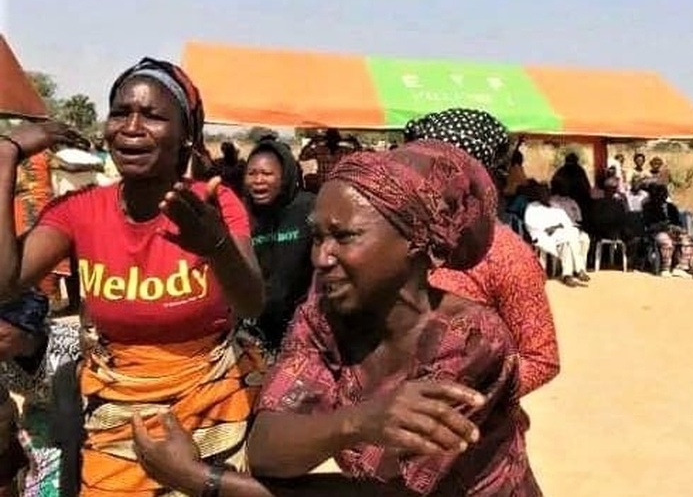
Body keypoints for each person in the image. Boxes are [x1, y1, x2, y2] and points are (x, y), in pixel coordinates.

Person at [131, 140, 543, 496]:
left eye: (344, 236)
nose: (320, 258)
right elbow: (267, 450)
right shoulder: (325, 316)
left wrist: (201, 479)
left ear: (418, 243)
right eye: (317, 237)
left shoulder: (471, 339)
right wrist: (355, 422)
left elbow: (384, 495)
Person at [0, 57, 266, 496]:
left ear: (185, 137)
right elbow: (6, 281)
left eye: (154, 116)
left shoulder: (211, 206)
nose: (132, 127)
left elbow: (252, 302)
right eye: (121, 112)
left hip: (214, 409)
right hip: (114, 422)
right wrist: (6, 154)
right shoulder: (79, 210)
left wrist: (215, 244)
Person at [406, 108, 559, 398]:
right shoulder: (393, 234)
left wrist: (471, 401)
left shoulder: (505, 254)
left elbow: (540, 358)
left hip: (470, 433)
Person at [240, 135, 315, 352]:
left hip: (304, 332)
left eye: (267, 173)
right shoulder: (241, 215)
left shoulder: (309, 208)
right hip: (257, 332)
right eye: (252, 173)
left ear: (284, 177)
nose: (258, 180)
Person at [525, 182, 590, 287]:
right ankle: (578, 269)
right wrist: (554, 228)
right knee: (570, 236)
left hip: (561, 234)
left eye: (547, 192)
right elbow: (533, 227)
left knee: (577, 237)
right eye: (542, 192)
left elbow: (567, 223)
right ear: (538, 194)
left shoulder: (555, 206)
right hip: (544, 236)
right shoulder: (532, 208)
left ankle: (568, 274)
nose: (545, 194)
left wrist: (557, 227)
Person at [642, 184, 693, 278]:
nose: (663, 196)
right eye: (660, 194)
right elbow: (648, 224)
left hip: (672, 231)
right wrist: (663, 226)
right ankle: (665, 268)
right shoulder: (648, 207)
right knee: (667, 242)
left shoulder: (671, 207)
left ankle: (681, 267)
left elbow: (678, 222)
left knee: (687, 240)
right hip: (656, 232)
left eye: (664, 194)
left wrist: (677, 228)